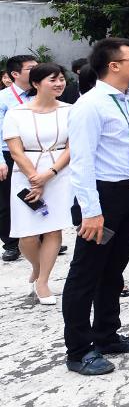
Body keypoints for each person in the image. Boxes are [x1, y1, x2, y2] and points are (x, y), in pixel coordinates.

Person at [62, 37, 129, 376]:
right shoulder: (90, 106)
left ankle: (107, 334)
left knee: (114, 268)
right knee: (86, 273)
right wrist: (91, 211)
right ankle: (78, 350)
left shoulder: (128, 100)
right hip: (104, 196)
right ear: (114, 65)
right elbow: (82, 162)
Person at [4, 63, 73, 304]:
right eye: (52, 79)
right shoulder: (16, 113)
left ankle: (43, 281)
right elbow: (16, 151)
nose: (59, 83)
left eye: (61, 78)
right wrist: (35, 178)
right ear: (36, 83)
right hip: (25, 175)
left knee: (54, 229)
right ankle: (37, 266)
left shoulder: (70, 110)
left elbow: (72, 146)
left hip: (59, 174)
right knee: (27, 235)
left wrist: (49, 174)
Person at [1, 54, 40, 262]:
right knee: (7, 200)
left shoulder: (40, 94)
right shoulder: (3, 98)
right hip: (9, 154)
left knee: (38, 193)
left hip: (37, 151)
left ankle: (44, 236)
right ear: (15, 74)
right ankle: (10, 244)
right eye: (31, 68)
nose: (36, 70)